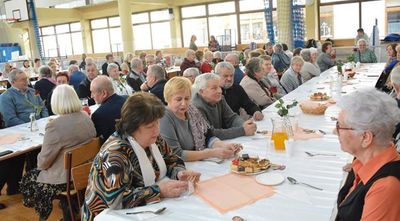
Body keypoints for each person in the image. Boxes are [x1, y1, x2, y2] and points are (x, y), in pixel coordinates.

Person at [82, 92, 201, 221]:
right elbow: (117, 199)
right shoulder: (115, 153)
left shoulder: (154, 138)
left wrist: (179, 173)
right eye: (150, 126)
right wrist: (159, 191)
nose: (156, 130)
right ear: (132, 127)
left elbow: (171, 158)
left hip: (145, 209)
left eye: (157, 123)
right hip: (108, 215)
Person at [19, 84, 96, 221]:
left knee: (28, 178)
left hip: (65, 179)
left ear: (56, 102)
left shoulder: (55, 125)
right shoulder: (85, 117)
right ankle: (70, 208)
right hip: (85, 171)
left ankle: (48, 211)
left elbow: (43, 162)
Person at [334, 88, 400, 221]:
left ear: (365, 137)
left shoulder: (385, 188)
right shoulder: (363, 162)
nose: (334, 132)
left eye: (339, 126)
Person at [160, 77, 241, 161]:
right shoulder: (164, 117)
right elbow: (176, 154)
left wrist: (223, 145)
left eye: (187, 98)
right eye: (178, 99)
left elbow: (207, 135)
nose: (183, 103)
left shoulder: (192, 110)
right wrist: (212, 153)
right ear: (168, 98)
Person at [192, 73, 257, 140]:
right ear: (201, 91)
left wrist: (244, 124)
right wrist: (242, 131)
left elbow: (231, 118)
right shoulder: (196, 107)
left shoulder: (220, 99)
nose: (220, 91)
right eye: (214, 88)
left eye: (219, 87)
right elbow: (210, 133)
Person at [90, 76, 127, 143]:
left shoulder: (98, 115)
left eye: (93, 92)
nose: (91, 96)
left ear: (104, 93)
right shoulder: (127, 99)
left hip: (117, 149)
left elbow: (101, 142)